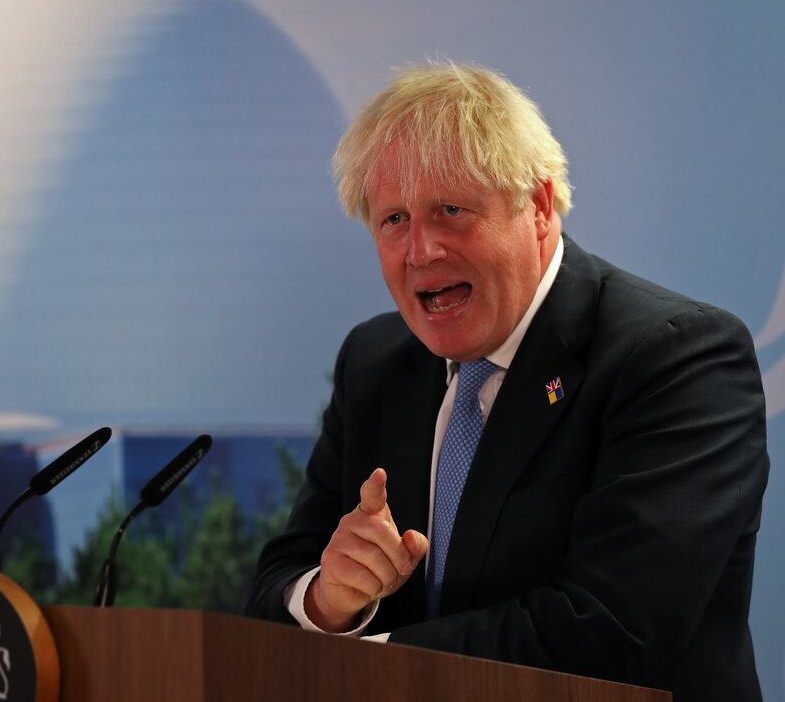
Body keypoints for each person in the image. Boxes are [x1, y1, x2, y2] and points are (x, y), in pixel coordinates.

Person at [245, 63, 769, 701]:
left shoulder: (675, 357)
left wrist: (361, 665)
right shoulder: (376, 360)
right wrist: (329, 602)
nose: (421, 251)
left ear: (540, 206)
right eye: (393, 221)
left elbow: (610, 630)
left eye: (451, 210)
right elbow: (280, 579)